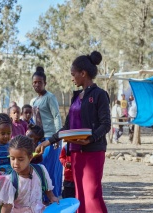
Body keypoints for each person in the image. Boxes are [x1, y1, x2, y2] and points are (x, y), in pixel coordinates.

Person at [35, 51, 110, 213]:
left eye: (73, 74)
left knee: (92, 194)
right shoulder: (76, 98)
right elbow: (67, 127)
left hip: (93, 151)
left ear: (83, 74)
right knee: (80, 195)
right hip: (75, 152)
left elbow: (106, 124)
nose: (72, 78)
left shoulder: (100, 95)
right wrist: (48, 142)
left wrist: (90, 139)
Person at [0, 135, 58, 213]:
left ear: (30, 157)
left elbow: (48, 190)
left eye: (20, 159)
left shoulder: (40, 170)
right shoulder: (10, 181)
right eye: (12, 158)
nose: (15, 163)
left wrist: (53, 198)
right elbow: (6, 207)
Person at [31, 66, 62, 199]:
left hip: (51, 137)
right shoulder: (33, 101)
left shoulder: (50, 97)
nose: (37, 85)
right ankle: (41, 197)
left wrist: (58, 137)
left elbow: (56, 116)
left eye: (40, 82)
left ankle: (52, 197)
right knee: (40, 167)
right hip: (39, 138)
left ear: (45, 83)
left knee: (50, 167)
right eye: (34, 82)